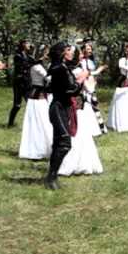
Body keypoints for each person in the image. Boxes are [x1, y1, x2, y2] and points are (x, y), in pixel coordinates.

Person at [44, 42, 89, 190]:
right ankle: (51, 177)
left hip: (62, 107)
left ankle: (52, 177)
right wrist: (81, 79)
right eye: (69, 50)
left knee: (59, 143)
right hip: (58, 108)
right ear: (63, 53)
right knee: (64, 143)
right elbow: (71, 90)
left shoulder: (61, 68)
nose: (72, 52)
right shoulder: (59, 69)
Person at [58, 57, 103, 176]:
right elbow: (89, 89)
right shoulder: (79, 72)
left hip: (68, 105)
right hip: (78, 106)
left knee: (71, 131)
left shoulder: (64, 70)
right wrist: (92, 82)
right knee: (80, 134)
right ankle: (82, 163)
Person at [19, 45, 52, 160]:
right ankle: (40, 148)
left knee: (43, 121)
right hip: (38, 96)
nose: (47, 56)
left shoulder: (39, 66)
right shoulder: (37, 67)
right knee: (41, 121)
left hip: (39, 95)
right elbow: (49, 78)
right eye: (46, 54)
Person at [106, 43, 128, 132]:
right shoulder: (122, 59)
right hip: (123, 83)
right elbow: (121, 66)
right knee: (120, 102)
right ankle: (120, 123)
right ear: (125, 50)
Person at [80, 41, 108, 135]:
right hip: (85, 86)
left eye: (90, 49)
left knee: (95, 105)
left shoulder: (91, 61)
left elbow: (93, 74)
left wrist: (95, 80)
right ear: (83, 50)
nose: (90, 51)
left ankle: (100, 127)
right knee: (87, 105)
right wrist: (99, 70)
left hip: (92, 85)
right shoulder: (81, 62)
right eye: (88, 49)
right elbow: (86, 74)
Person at [8, 40, 35, 127]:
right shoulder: (18, 56)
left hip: (27, 82)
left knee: (30, 103)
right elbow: (22, 67)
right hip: (19, 83)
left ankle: (32, 124)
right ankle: (10, 123)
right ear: (23, 44)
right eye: (27, 43)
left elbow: (34, 62)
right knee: (17, 105)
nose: (29, 45)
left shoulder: (28, 55)